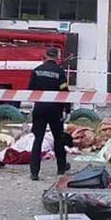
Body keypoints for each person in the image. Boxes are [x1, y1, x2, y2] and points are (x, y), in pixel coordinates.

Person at [27, 46, 70, 182]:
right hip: (55, 109)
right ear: (57, 57)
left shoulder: (36, 71)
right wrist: (67, 109)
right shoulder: (60, 72)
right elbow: (64, 92)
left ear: (45, 56)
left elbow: (30, 89)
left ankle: (34, 172)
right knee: (58, 139)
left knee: (38, 139)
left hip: (39, 109)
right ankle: (61, 169)